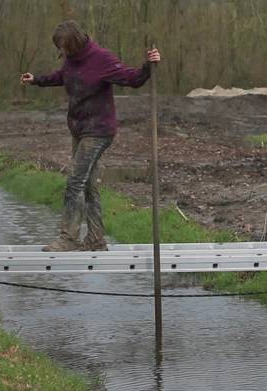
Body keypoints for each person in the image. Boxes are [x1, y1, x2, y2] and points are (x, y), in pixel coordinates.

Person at [20, 20, 161, 252]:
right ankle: (96, 239)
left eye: (63, 48)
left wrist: (149, 65)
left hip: (99, 131)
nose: (61, 52)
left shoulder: (101, 59)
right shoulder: (70, 60)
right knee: (88, 186)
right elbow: (61, 76)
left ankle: (69, 238)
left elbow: (132, 79)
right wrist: (37, 80)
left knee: (75, 181)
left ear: (74, 44)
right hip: (79, 129)